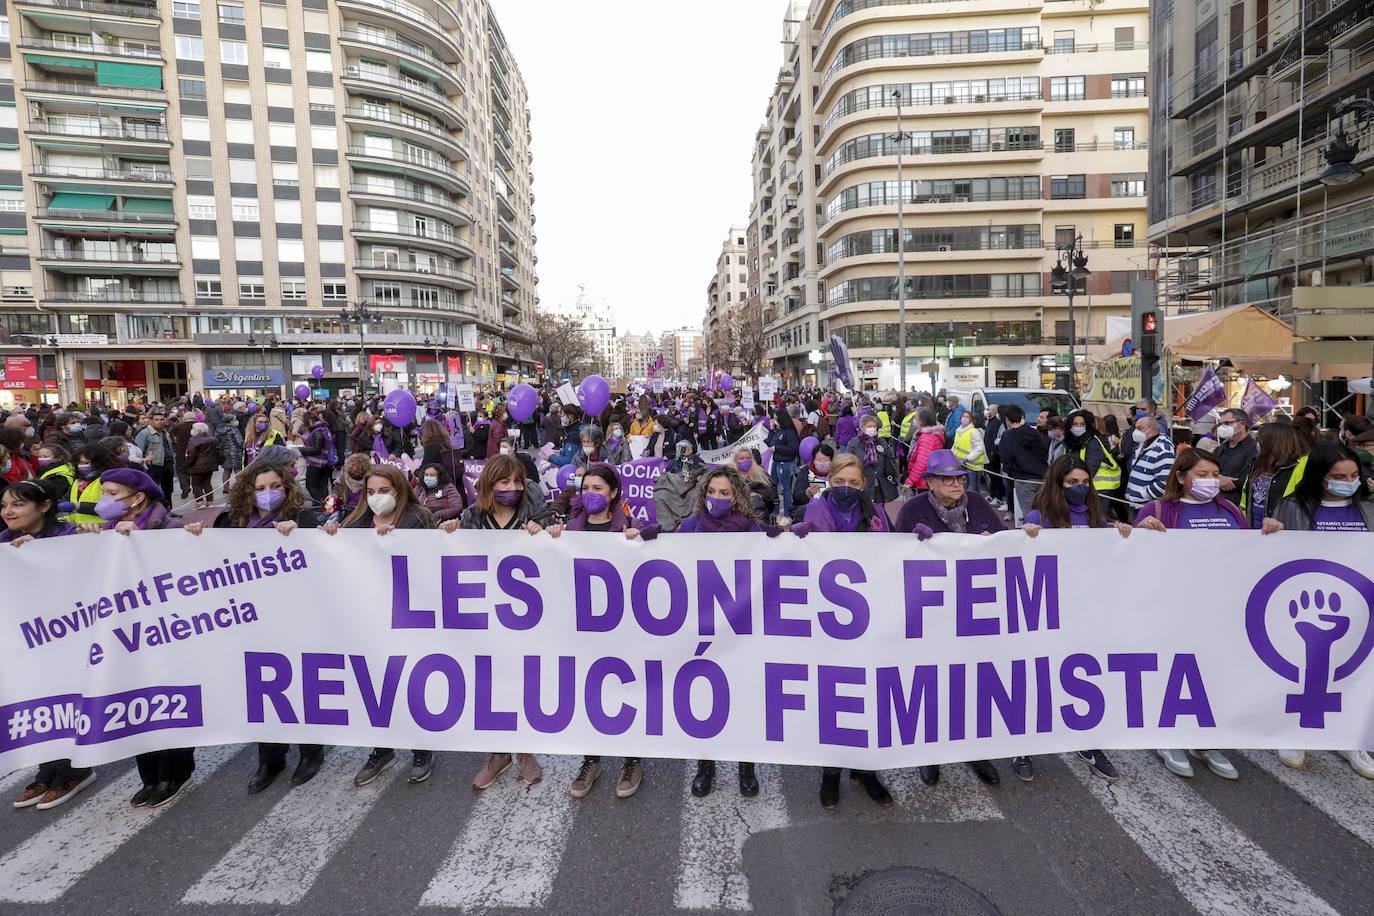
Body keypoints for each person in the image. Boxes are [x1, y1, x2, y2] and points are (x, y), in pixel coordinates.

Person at [1135, 448, 1281, 780]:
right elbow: (1133, 560)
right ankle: (1168, 737)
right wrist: (1141, 532)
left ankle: (1204, 739)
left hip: (1221, 609)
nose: (1211, 481)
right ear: (1181, 477)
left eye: (1215, 475)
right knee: (1173, 671)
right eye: (1202, 475)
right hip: (1173, 607)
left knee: (1213, 674)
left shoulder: (1229, 508)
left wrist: (1269, 532)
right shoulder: (1159, 509)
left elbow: (1247, 552)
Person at [184, 463, 324, 792]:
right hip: (246, 621)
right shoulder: (229, 522)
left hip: (294, 620)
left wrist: (305, 536)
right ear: (247, 490)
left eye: (275, 486)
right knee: (260, 689)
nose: (267, 493)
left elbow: (324, 562)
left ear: (288, 489)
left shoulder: (303, 520)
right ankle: (270, 758)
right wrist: (194, 540)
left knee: (300, 686)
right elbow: (208, 562)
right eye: (260, 488)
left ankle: (310, 752)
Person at [644, 467, 770, 798]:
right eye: (712, 491)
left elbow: (772, 564)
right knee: (705, 698)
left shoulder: (752, 529)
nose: (717, 498)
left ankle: (746, 766)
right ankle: (706, 765)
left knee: (744, 695)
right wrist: (645, 541)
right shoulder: (692, 525)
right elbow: (671, 557)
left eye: (724, 493)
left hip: (741, 626)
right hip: (703, 627)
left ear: (737, 496)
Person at [1016, 456, 1131, 782]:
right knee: (1039, 678)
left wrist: (1123, 533)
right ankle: (1021, 747)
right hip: (1049, 611)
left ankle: (1088, 744)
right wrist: (1025, 537)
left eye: (1084, 482)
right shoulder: (1040, 517)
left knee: (1086, 679)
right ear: (1058, 485)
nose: (1080, 488)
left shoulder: (1099, 517)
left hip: (1088, 613)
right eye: (1072, 483)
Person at [322, 464, 438, 786]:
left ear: (399, 490)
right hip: (369, 620)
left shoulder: (418, 518)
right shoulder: (356, 522)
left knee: (411, 682)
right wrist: (331, 538)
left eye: (384, 491)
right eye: (370, 492)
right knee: (376, 687)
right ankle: (382, 750)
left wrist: (398, 544)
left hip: (409, 616)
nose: (376, 498)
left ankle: (421, 747)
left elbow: (439, 560)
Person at [790, 454, 894, 809]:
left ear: (863, 485)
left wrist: (919, 543)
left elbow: (896, 557)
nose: (846, 489)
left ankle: (866, 771)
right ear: (829, 481)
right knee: (834, 697)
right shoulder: (815, 512)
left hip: (869, 621)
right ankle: (831, 773)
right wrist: (792, 538)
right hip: (826, 621)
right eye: (839, 482)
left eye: (854, 483)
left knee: (869, 696)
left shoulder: (875, 513)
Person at [1266, 441, 1374, 779]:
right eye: (1339, 475)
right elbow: (1273, 558)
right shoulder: (1292, 507)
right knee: (1299, 670)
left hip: (1358, 604)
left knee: (1355, 672)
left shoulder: (1369, 509)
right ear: (1320, 476)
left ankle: (1349, 737)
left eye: (1354, 475)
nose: (1350, 481)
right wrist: (1269, 533)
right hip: (1303, 605)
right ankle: (1293, 732)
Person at [893, 449, 1001, 788]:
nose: (956, 484)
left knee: (970, 681)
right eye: (947, 478)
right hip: (930, 612)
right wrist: (916, 546)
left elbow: (1005, 539)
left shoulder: (979, 504)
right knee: (932, 682)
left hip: (973, 610)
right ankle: (930, 753)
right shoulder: (912, 511)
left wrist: (1013, 537)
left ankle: (973, 750)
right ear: (930, 482)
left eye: (960, 478)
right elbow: (894, 558)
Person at [440, 455, 545, 789]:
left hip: (527, 622)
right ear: (489, 485)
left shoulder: (532, 513)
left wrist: (544, 533)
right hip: (484, 619)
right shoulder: (472, 517)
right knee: (490, 684)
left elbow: (555, 552)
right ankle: (498, 754)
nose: (512, 488)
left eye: (517, 482)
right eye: (504, 482)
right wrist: (449, 532)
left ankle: (525, 752)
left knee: (524, 682)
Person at [546, 465, 646, 798]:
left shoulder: (629, 525)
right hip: (584, 628)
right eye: (586, 486)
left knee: (627, 689)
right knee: (590, 690)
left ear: (614, 493)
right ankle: (592, 759)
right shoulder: (570, 529)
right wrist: (550, 540)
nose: (590, 493)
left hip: (624, 626)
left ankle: (632, 759)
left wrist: (640, 539)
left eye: (598, 488)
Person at [4, 479, 98, 810]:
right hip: (26, 642)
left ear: (44, 507)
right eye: (4, 506)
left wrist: (45, 554)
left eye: (17, 504)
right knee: (37, 701)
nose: (8, 512)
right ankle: (46, 772)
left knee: (68, 701)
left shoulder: (69, 537)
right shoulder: (5, 542)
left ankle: (76, 771)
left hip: (66, 637)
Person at [1244, 421, 1306, 529]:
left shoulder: (1297, 469)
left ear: (1272, 443)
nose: (1257, 444)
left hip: (1280, 533)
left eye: (1260, 440)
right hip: (1253, 531)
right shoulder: (1256, 465)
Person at [998, 405, 1048, 526]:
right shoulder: (1033, 432)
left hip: (1023, 479)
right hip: (1042, 477)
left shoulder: (1008, 435)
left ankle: (1034, 541)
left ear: (1007, 419)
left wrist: (1010, 469)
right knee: (1044, 513)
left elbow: (1005, 457)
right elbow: (1043, 452)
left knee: (1029, 515)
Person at [845, 413, 901, 508]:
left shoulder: (881, 442)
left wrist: (894, 478)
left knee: (879, 512)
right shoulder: (854, 444)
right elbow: (846, 465)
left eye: (874, 426)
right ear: (862, 428)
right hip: (862, 486)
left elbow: (890, 460)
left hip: (880, 486)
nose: (872, 429)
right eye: (869, 426)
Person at [1124, 416, 1176, 507]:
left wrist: (1141, 495)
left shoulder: (1163, 450)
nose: (1135, 432)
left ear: (1152, 431)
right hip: (1134, 503)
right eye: (1135, 428)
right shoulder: (1144, 444)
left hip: (1146, 506)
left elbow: (1165, 483)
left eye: (1139, 428)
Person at [1213, 407, 1258, 497]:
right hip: (1217, 501)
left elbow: (1246, 479)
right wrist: (1218, 479)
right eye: (1220, 424)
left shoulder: (1254, 448)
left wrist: (1220, 480)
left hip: (1238, 503)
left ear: (1241, 424)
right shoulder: (1219, 449)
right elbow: (1208, 472)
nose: (1222, 428)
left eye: (1227, 423)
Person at [766, 405, 801, 520]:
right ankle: (775, 511)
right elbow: (770, 442)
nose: (774, 421)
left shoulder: (789, 432)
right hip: (776, 462)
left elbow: (794, 449)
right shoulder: (779, 430)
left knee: (785, 489)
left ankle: (786, 513)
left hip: (785, 463)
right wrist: (771, 429)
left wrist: (778, 449)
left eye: (776, 419)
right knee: (774, 488)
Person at [298, 410, 336, 506]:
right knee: (323, 486)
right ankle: (325, 506)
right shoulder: (324, 429)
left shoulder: (317, 432)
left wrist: (303, 449)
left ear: (310, 421)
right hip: (325, 462)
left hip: (316, 463)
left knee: (311, 485)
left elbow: (316, 449)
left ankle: (320, 505)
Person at [791, 441, 835, 520]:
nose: (822, 463)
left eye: (825, 460)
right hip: (809, 514)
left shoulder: (837, 473)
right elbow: (796, 497)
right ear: (813, 460)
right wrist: (807, 494)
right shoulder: (805, 471)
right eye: (819, 459)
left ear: (831, 460)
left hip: (830, 514)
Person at [904, 407, 945, 492]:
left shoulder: (927, 438)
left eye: (916, 418)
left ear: (923, 420)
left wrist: (910, 481)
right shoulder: (933, 434)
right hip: (931, 479)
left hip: (925, 482)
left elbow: (921, 462)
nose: (915, 421)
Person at [731, 446, 777, 519]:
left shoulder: (761, 473)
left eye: (748, 458)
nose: (745, 461)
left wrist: (760, 495)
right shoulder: (730, 475)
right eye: (742, 459)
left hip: (759, 510)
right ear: (736, 460)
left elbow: (773, 492)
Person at [184, 421, 223, 508]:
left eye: (193, 429)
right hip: (210, 465)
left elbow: (191, 455)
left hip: (197, 466)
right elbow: (218, 452)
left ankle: (199, 501)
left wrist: (187, 465)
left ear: (198, 430)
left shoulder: (194, 440)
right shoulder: (212, 439)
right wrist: (219, 462)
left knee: (196, 484)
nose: (192, 431)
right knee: (207, 483)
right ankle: (210, 501)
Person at [951, 408, 987, 494]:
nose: (964, 418)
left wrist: (968, 458)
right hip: (961, 464)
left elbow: (979, 448)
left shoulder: (973, 432)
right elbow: (956, 446)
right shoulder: (959, 431)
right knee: (963, 486)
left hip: (973, 465)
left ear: (971, 420)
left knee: (974, 488)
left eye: (967, 417)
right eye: (963, 416)